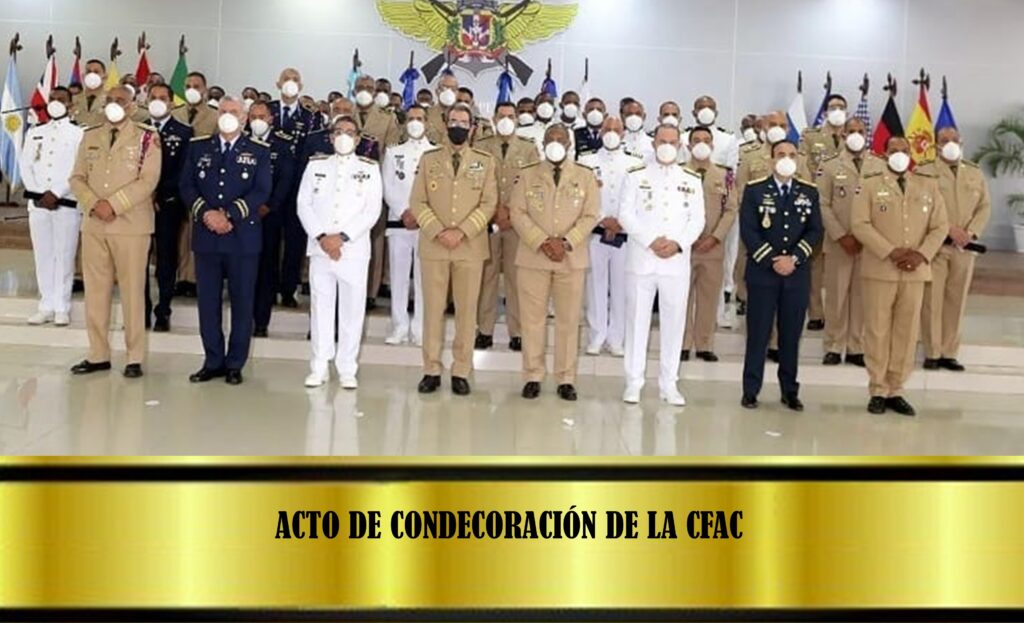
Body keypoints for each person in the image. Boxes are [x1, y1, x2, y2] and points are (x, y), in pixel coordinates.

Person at [851, 136, 949, 416]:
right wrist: (891, 251)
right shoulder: (869, 184)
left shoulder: (927, 184)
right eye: (893, 151)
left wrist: (921, 254)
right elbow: (860, 224)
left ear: (911, 154)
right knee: (878, 330)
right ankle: (878, 389)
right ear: (884, 154)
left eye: (904, 151)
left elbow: (940, 226)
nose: (899, 155)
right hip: (880, 269)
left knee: (906, 333)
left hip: (916, 271)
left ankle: (897, 389)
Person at [68, 86, 161, 378]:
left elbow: (148, 181)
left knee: (133, 292)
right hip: (95, 224)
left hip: (131, 226)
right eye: (109, 100)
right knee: (96, 292)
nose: (114, 105)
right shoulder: (90, 135)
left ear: (132, 106)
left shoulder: (147, 137)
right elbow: (76, 178)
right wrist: (95, 204)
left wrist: (114, 205)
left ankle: (134, 357)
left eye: (120, 100)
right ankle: (98, 354)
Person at [179, 97, 272, 386]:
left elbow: (261, 191)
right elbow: (187, 185)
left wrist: (229, 215)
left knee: (243, 303)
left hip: (242, 238)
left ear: (244, 118)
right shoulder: (198, 147)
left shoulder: (258, 151)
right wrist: (207, 214)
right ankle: (212, 360)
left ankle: (235, 363)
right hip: (207, 238)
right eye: (223, 111)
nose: (228, 116)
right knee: (208, 303)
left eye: (234, 112)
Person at [408, 103, 498, 396]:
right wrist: (438, 231)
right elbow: (417, 202)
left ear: (472, 128)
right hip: (434, 246)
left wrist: (462, 231)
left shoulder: (485, 161)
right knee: (433, 311)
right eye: (454, 121)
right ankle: (431, 369)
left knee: (466, 312)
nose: (458, 126)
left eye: (464, 122)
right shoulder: (428, 158)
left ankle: (461, 369)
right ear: (446, 124)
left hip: (469, 247)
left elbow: (489, 203)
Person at [510, 124, 600, 401]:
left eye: (561, 139)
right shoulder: (527, 175)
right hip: (533, 257)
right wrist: (542, 241)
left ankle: (566, 378)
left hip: (570, 258)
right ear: (543, 143)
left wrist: (566, 242)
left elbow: (590, 215)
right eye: (551, 138)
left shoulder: (585, 176)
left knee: (568, 320)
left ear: (570, 144)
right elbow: (517, 212)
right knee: (532, 320)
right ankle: (533, 375)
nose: (556, 142)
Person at [619, 124, 705, 406]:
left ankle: (670, 384)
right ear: (653, 143)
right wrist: (650, 241)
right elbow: (625, 215)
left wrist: (678, 243)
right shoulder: (635, 176)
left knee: (674, 324)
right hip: (642, 261)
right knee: (636, 323)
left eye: (672, 141)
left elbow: (697, 220)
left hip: (675, 264)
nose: (666, 145)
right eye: (661, 140)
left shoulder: (691, 179)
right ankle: (634, 382)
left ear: (680, 144)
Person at [297, 116, 383, 388]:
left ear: (358, 139)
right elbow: (303, 204)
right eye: (338, 132)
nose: (343, 136)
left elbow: (372, 210)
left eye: (349, 132)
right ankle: (319, 365)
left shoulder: (369, 169)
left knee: (352, 310)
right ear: (331, 137)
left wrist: (342, 238)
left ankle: (347, 367)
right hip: (321, 249)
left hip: (353, 251)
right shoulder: (316, 165)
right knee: (321, 308)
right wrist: (323, 237)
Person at [739, 139, 822, 411]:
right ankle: (751, 390)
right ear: (771, 159)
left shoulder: (809, 192)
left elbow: (815, 231)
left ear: (798, 159)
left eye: (791, 154)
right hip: (763, 272)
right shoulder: (755, 190)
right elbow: (749, 230)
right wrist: (773, 260)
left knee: (790, 335)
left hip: (796, 275)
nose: (786, 158)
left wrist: (794, 258)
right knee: (759, 333)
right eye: (780, 154)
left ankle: (790, 390)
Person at [921, 126, 991, 372]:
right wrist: (949, 229)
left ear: (961, 142)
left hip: (965, 248)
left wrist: (970, 233)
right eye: (944, 140)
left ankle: (949, 352)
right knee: (932, 300)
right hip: (936, 247)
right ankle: (932, 351)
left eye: (954, 139)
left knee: (956, 299)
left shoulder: (973, 172)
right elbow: (922, 207)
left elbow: (984, 207)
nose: (950, 143)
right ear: (936, 144)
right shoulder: (925, 172)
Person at [816, 117, 884, 366]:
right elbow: (822, 203)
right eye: (850, 131)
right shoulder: (830, 166)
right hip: (839, 243)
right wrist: (840, 235)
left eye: (860, 131)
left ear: (867, 134)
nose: (856, 135)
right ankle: (833, 344)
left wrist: (869, 237)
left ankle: (856, 346)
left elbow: (883, 205)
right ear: (843, 135)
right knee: (836, 295)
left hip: (869, 245)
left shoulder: (879, 165)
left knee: (862, 297)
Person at [473, 101, 540, 352]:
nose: (507, 119)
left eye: (511, 116)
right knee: (486, 277)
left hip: (516, 224)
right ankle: (485, 329)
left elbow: (533, 186)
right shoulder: (481, 146)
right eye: (502, 115)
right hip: (487, 222)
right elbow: (475, 184)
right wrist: (492, 213)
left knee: (516, 278)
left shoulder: (529, 148)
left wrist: (511, 214)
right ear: (493, 117)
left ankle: (518, 332)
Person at [20, 87, 84, 326]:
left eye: (61, 100)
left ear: (70, 105)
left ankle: (62, 306)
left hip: (65, 203)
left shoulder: (78, 134)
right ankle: (45, 304)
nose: (56, 103)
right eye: (53, 99)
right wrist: (37, 192)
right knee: (43, 254)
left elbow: (77, 169)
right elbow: (26, 164)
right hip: (37, 203)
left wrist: (56, 192)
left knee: (64, 255)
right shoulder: (35, 132)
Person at [577, 115, 641, 357]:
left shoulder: (634, 163)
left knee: (622, 287)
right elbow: (582, 196)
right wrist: (602, 219)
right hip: (595, 232)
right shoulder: (586, 161)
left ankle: (616, 338)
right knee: (595, 286)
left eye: (616, 129)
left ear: (623, 133)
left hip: (624, 235)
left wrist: (621, 223)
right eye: (607, 128)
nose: (612, 132)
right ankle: (596, 336)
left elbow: (637, 199)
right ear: (600, 131)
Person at [681, 126, 737, 362]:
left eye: (706, 140)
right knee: (682, 298)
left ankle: (704, 344)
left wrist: (715, 237)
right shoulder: (678, 173)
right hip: (684, 248)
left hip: (713, 248)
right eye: (696, 140)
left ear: (713, 146)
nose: (701, 143)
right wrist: (686, 238)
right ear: (689, 145)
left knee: (708, 298)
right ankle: (682, 344)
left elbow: (731, 209)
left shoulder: (725, 175)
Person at [381, 104, 433, 346]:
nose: (415, 122)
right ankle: (399, 326)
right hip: (398, 222)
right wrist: (404, 212)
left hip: (426, 225)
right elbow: (387, 185)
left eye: (419, 118)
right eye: (411, 118)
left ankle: (420, 328)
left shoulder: (436, 153)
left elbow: (438, 191)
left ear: (427, 122)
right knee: (399, 278)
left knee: (424, 279)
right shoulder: (394, 153)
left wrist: (420, 214)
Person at [143, 83, 193, 332]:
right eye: (153, 97)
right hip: (137, 205)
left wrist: (159, 194)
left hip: (168, 205)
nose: (158, 101)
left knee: (166, 258)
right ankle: (141, 308)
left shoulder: (184, 132)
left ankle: (163, 308)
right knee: (139, 259)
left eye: (163, 97)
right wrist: (144, 194)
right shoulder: (136, 129)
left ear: (172, 102)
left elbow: (184, 172)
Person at [249, 101, 296, 338]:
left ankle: (261, 321)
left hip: (269, 217)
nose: (257, 120)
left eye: (262, 116)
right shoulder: (242, 141)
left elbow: (285, 180)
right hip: (242, 217)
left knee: (267, 269)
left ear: (271, 119)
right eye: (253, 116)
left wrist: (270, 206)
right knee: (244, 270)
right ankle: (244, 318)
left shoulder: (283, 144)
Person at [171, 71, 219, 299]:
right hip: (174, 180)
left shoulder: (215, 117)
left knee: (194, 230)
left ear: (205, 89)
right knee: (178, 232)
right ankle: (180, 276)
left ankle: (192, 278)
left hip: (201, 182)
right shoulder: (174, 114)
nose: (192, 89)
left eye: (196, 85)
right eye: (188, 85)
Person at [70, 59, 108, 126]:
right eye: (89, 72)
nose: (92, 75)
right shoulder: (72, 100)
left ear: (105, 77)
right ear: (83, 76)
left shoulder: (111, 100)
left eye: (96, 72)